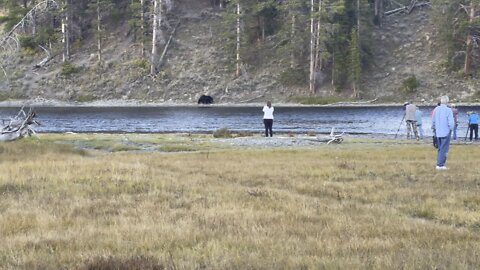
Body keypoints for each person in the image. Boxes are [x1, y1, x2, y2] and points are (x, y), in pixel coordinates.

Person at [431, 95, 454, 170]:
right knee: (444, 149)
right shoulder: (448, 110)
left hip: (438, 132)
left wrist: (433, 128)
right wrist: (451, 128)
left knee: (440, 148)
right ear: (447, 101)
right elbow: (451, 122)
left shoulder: (436, 109)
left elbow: (433, 120)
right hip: (446, 131)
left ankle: (439, 163)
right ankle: (440, 164)